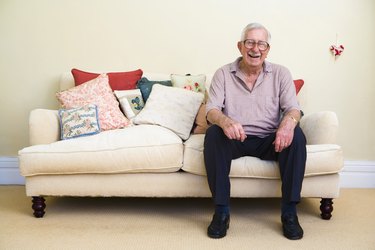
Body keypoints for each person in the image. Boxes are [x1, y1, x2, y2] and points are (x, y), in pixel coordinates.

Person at [204, 22, 307, 240]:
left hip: (269, 140)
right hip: (235, 138)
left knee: (297, 135)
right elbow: (211, 109)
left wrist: (288, 124)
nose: (255, 49)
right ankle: (221, 212)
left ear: (268, 49)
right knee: (213, 134)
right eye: (250, 42)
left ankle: (289, 213)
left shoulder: (281, 73)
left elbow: (293, 109)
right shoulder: (223, 73)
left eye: (262, 44)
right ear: (240, 46)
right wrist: (225, 121)